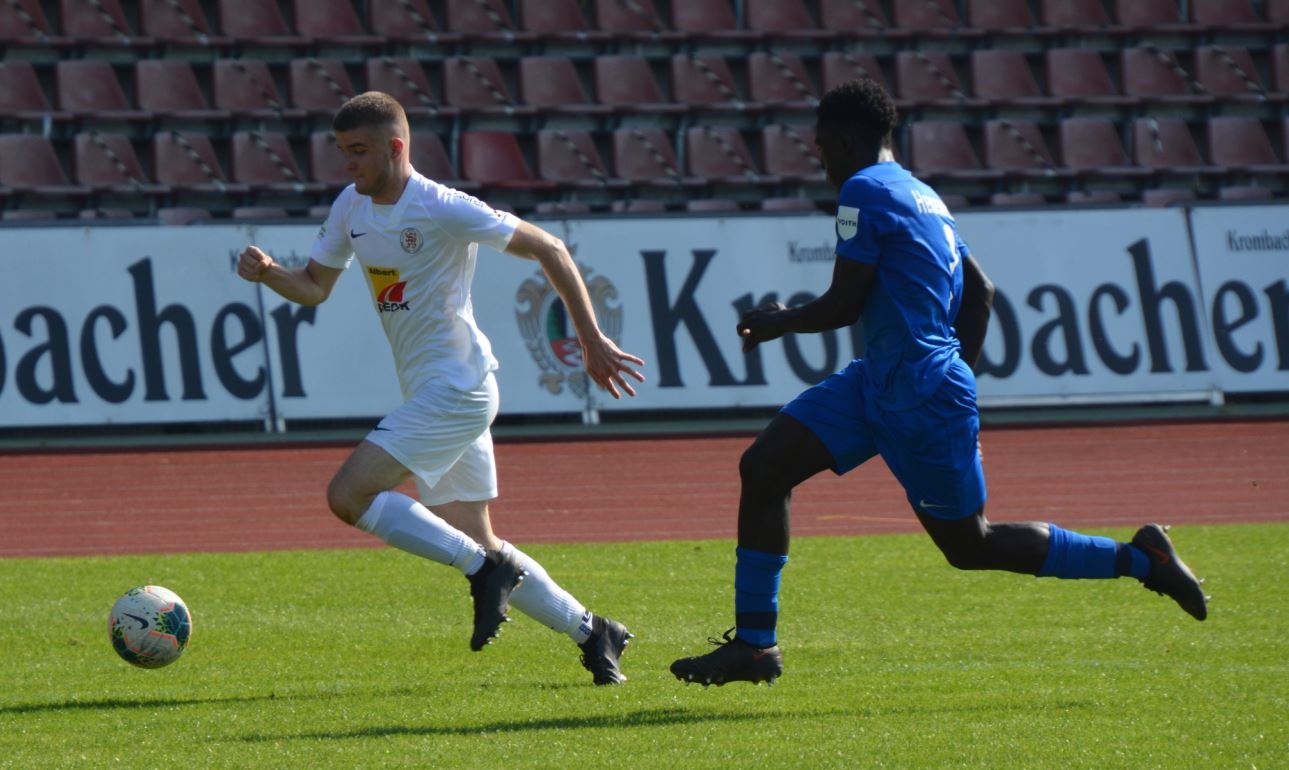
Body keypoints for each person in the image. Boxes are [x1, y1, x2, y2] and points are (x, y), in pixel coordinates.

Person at [669, 79, 1208, 687]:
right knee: (765, 467)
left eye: (820, 148)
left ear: (843, 142)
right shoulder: (924, 195)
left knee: (971, 546)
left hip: (918, 393)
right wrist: (953, 371)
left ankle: (1143, 559)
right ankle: (755, 646)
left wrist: (779, 322)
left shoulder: (862, 190)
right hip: (882, 382)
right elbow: (981, 291)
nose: (820, 161)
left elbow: (845, 304)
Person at [237, 91, 647, 685]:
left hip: (458, 389)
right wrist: (270, 273)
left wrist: (590, 338)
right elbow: (314, 287)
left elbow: (550, 247)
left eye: (358, 151)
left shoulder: (440, 206)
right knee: (480, 538)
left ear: (394, 147)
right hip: (436, 392)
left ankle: (483, 572)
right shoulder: (351, 206)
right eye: (342, 151)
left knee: (348, 496)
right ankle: (594, 631)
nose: (348, 164)